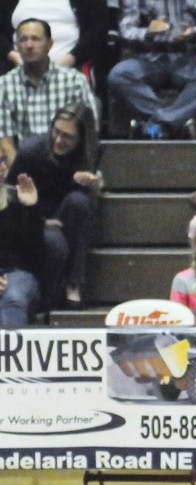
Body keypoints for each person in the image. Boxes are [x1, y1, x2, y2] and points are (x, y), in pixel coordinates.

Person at [6, 102, 99, 311]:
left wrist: (92, 185)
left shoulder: (90, 153)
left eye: (67, 136)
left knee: (79, 202)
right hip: (34, 219)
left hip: (71, 215)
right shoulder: (31, 152)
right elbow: (12, 197)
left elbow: (88, 199)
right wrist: (41, 220)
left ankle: (73, 282)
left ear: (81, 139)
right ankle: (48, 301)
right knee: (54, 241)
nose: (58, 140)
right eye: (56, 132)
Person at [108, 0, 196, 139]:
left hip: (190, 59)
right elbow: (126, 29)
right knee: (118, 75)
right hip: (148, 59)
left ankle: (160, 124)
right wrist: (147, 33)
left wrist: (195, 33)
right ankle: (176, 123)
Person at [0, 18, 98, 169]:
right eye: (23, 40)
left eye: (36, 39)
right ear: (17, 47)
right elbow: (6, 142)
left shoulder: (74, 81)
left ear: (49, 45)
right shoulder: (4, 85)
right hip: (25, 168)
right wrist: (20, 179)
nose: (29, 45)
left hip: (68, 168)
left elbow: (90, 132)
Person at [0, 0, 109, 75]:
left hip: (72, 66)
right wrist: (14, 57)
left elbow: (97, 30)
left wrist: (68, 60)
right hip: (18, 66)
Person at [0, 173, 43, 326]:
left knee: (13, 297)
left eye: (1, 161)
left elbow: (35, 252)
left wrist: (32, 209)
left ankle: (8, 349)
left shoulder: (17, 199)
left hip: (15, 273)